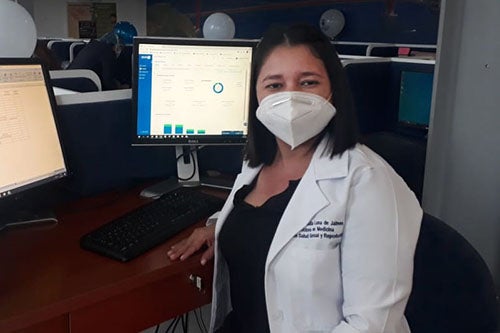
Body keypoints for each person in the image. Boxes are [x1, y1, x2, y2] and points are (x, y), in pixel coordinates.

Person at [168, 24, 422, 333]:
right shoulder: (257, 162)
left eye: (308, 82)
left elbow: (371, 326)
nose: (290, 99)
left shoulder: (368, 182)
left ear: (333, 90)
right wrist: (220, 225)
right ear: (256, 95)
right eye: (274, 85)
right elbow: (275, 216)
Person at [67, 21, 136, 90]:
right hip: (77, 90)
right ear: (118, 44)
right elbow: (108, 82)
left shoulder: (94, 45)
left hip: (68, 85)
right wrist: (121, 87)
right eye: (122, 47)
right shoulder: (107, 52)